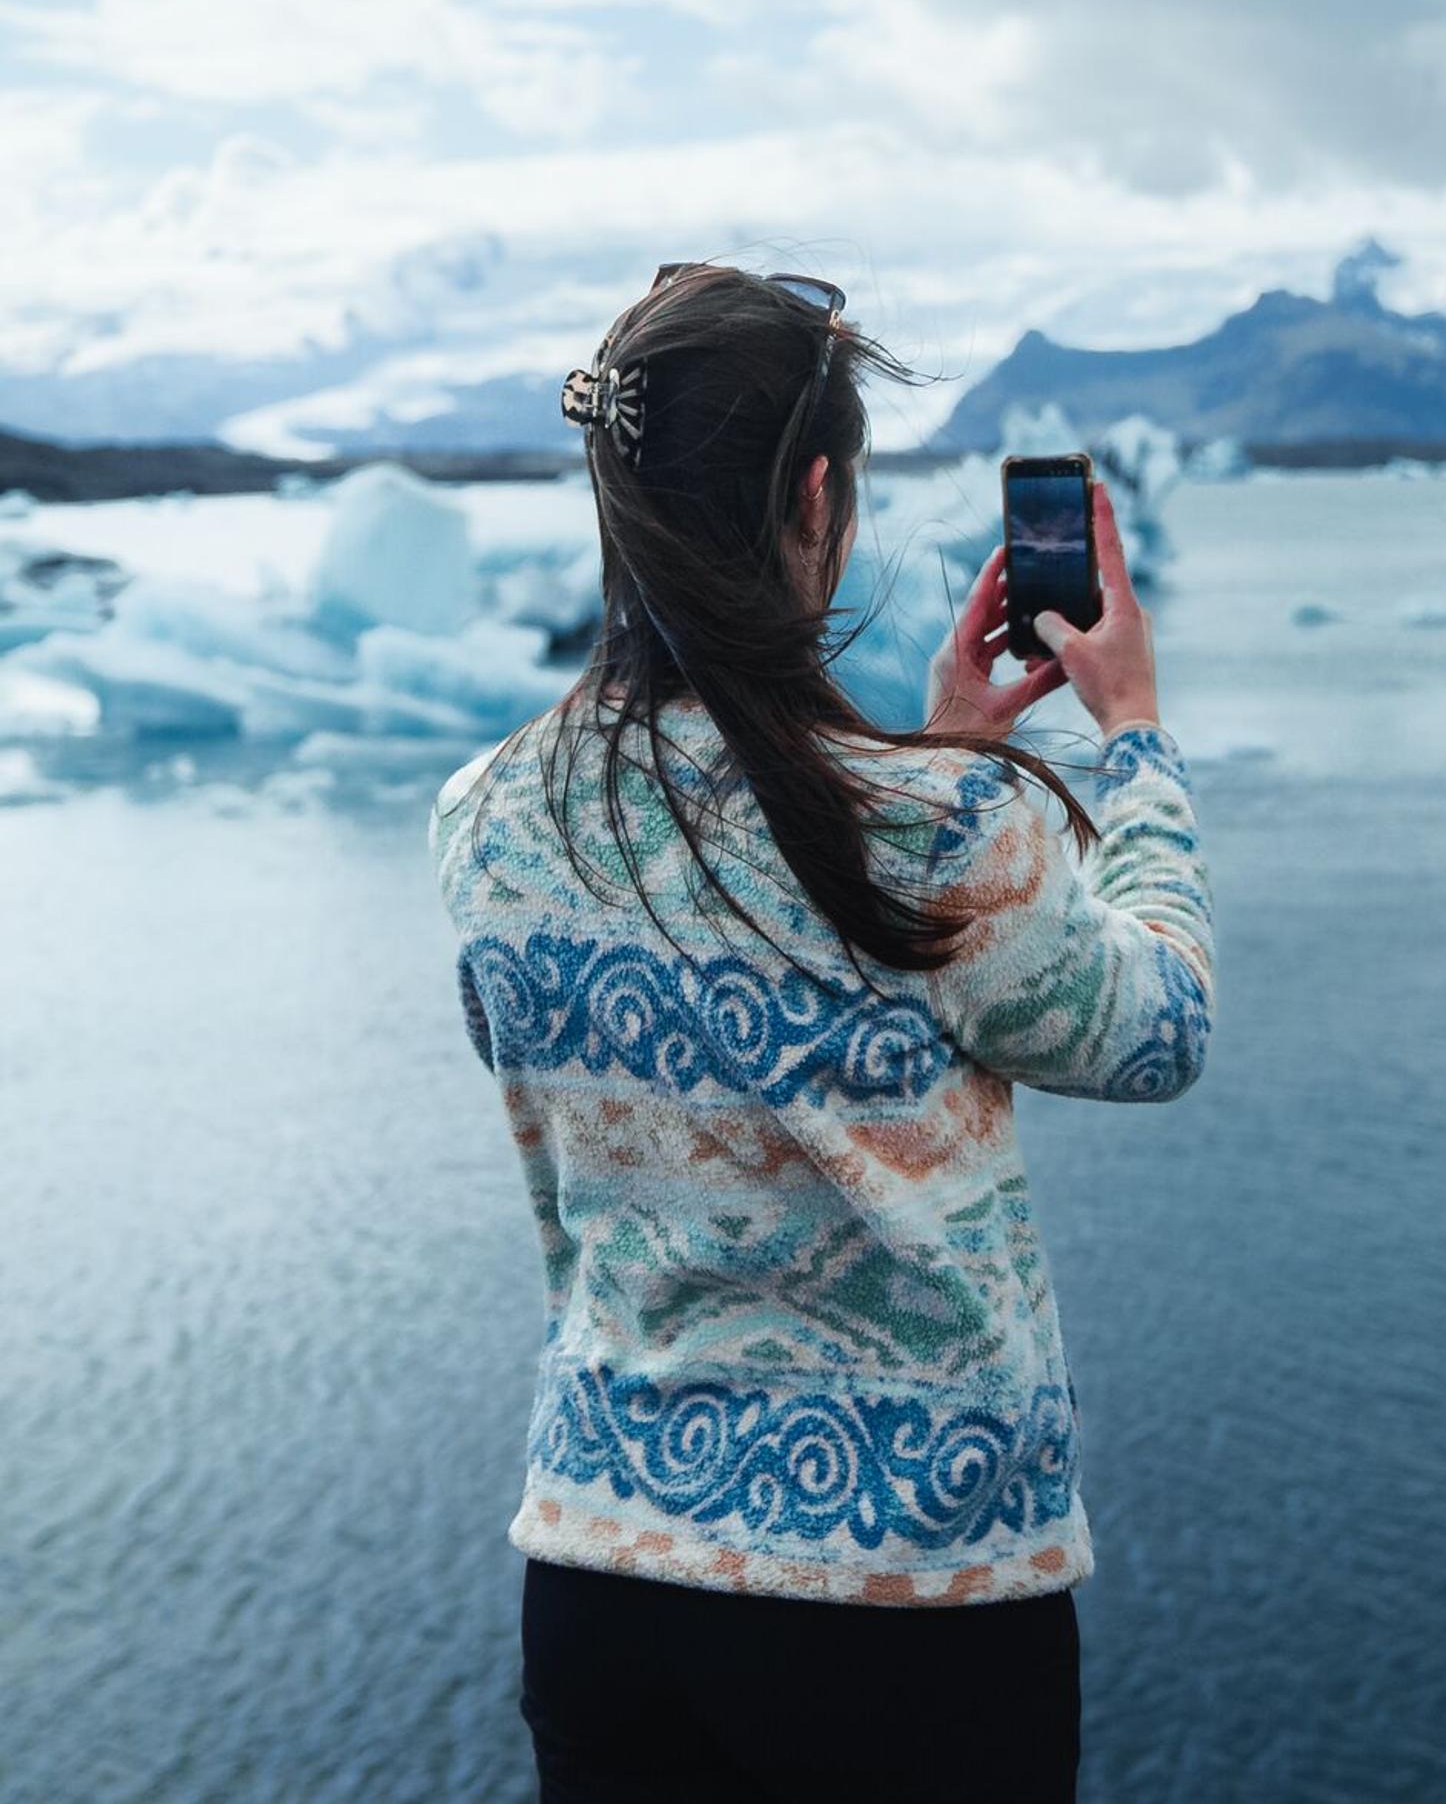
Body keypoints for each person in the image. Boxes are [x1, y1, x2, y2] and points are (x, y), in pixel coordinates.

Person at [430, 262, 1215, 1804]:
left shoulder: (482, 824)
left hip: (608, 1583)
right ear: (816, 496)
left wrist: (927, 750)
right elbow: (1159, 1025)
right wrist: (1132, 741)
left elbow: (740, 874)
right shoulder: (936, 835)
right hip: (910, 1616)